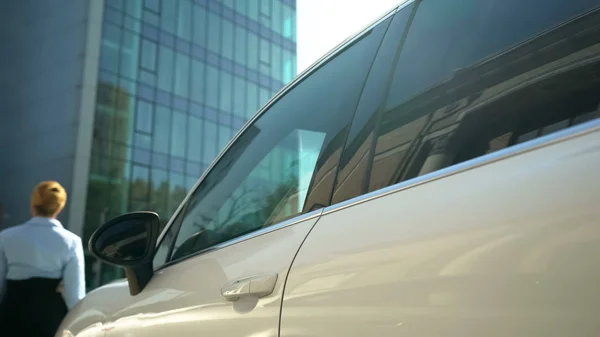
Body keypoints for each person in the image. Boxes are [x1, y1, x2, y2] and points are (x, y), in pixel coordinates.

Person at [0, 181, 86, 336]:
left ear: (33, 205)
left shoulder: (5, 237)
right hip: (50, 318)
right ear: (59, 207)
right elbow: (75, 295)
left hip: (11, 314)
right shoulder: (72, 242)